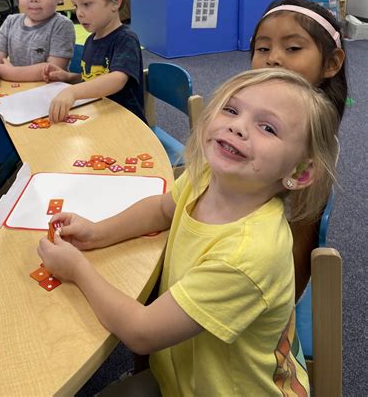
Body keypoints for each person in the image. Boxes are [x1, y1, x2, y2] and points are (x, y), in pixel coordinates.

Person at [38, 68, 340, 395]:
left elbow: (142, 332)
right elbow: (163, 209)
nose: (237, 126)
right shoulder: (208, 176)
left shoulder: (249, 255)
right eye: (231, 109)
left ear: (300, 172)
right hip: (182, 374)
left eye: (267, 127)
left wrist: (78, 269)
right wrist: (98, 232)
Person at [250, 0, 347, 300]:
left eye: (292, 48)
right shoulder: (247, 114)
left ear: (330, 63)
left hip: (257, 282)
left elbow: (299, 246)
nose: (273, 58)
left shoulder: (308, 151)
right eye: (262, 48)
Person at [42, 0, 145, 123]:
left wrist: (73, 92)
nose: (79, 13)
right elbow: (92, 78)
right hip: (100, 116)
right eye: (76, 5)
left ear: (115, 1)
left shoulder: (125, 39)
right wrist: (69, 77)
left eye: (87, 4)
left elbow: (116, 79)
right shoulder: (92, 39)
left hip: (126, 124)